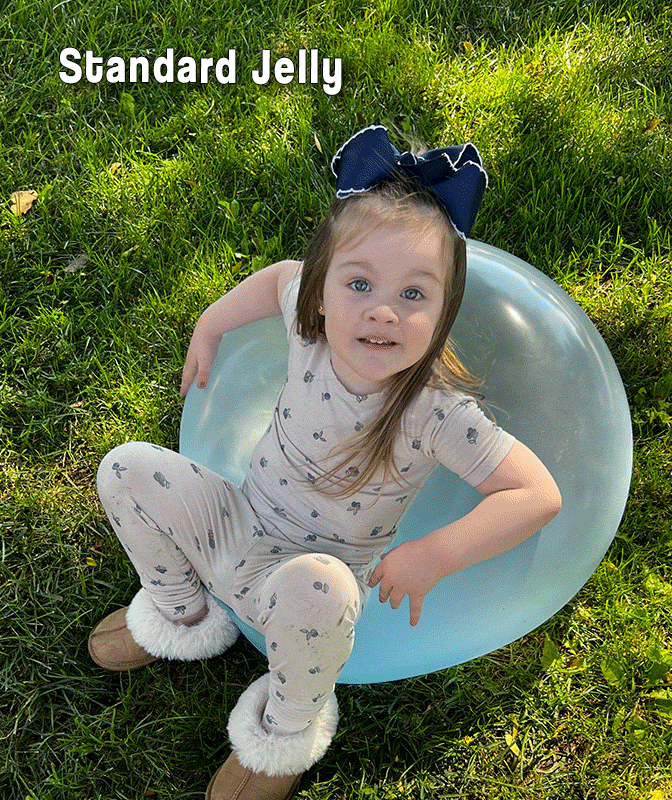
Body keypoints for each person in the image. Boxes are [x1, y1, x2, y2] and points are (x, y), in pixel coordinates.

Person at [88, 125, 562, 800]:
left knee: (324, 590)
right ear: (322, 291)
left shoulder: (436, 410)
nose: (383, 312)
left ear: (443, 312)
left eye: (413, 295)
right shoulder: (307, 327)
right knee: (125, 467)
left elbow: (535, 493)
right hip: (238, 524)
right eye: (360, 283)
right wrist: (210, 323)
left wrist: (434, 556)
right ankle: (182, 613)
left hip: (308, 586)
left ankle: (283, 733)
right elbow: (277, 279)